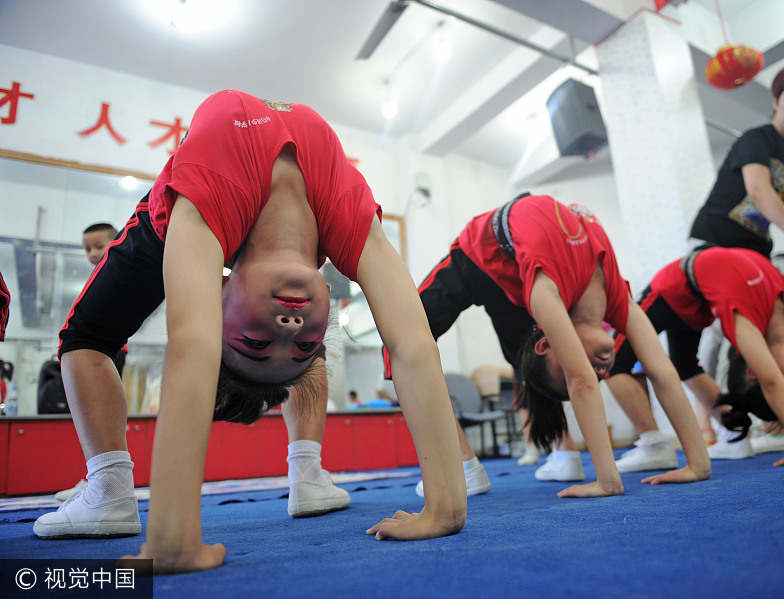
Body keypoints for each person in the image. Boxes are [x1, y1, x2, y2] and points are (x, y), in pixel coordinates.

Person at [32, 90, 466, 574]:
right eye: (303, 344)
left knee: (84, 337)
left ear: (221, 299)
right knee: (87, 340)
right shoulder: (345, 214)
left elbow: (193, 341)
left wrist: (173, 539)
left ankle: (295, 472)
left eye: (257, 342)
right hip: (223, 216)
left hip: (181, 212)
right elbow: (412, 341)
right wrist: (445, 507)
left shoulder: (206, 203)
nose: (289, 326)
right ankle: (111, 488)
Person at [385, 194, 711, 499]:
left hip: (499, 256)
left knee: (515, 360)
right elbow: (641, 373)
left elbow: (627, 376)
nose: (598, 372)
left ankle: (565, 452)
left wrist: (691, 467)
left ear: (548, 344)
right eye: (597, 374)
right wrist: (613, 478)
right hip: (495, 259)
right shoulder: (610, 297)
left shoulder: (545, 292)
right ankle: (460, 464)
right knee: (401, 343)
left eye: (579, 371)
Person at [607, 246, 784, 466]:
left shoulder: (744, 324)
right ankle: (724, 438)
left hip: (674, 286)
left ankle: (658, 445)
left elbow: (774, 381)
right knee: (682, 364)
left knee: (614, 365)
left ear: (754, 371)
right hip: (694, 290)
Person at [688, 64, 784, 261]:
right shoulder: (756, 138)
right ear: (775, 101)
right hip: (715, 240)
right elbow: (758, 190)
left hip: (756, 248)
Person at [53, 223, 129, 502]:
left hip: (108, 349)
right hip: (105, 348)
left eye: (99, 246)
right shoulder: (101, 278)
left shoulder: (120, 270)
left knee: (101, 414)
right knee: (92, 417)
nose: (92, 253)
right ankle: (94, 477)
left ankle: (99, 479)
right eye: (87, 249)